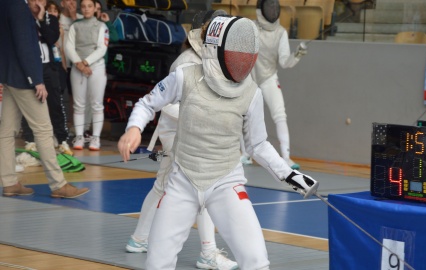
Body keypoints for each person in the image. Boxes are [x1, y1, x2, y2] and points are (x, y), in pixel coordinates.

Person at [118, 16, 319, 270]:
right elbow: (148, 103)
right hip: (182, 181)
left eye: (247, 53)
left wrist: (291, 176)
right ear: (216, 48)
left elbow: (258, 145)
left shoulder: (251, 93)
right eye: (237, 52)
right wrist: (134, 128)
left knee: (257, 260)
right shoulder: (185, 76)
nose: (244, 60)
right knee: (157, 262)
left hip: (226, 182)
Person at [125, 10, 238, 270]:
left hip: (187, 134)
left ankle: (139, 238)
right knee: (203, 188)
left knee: (162, 186)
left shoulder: (211, 63)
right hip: (177, 133)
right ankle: (208, 253)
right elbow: (166, 105)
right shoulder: (186, 62)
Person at [0, 0, 89, 198]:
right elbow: (25, 45)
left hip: (9, 75)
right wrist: (36, 80)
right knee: (43, 130)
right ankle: (58, 184)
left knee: (6, 131)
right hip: (24, 78)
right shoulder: (17, 7)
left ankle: (9, 182)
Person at [240, 0, 308, 170]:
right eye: (269, 8)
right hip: (250, 79)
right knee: (243, 116)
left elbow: (285, 62)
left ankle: (286, 157)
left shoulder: (280, 33)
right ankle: (245, 154)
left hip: (269, 77)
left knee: (280, 115)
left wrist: (297, 54)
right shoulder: (251, 28)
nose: (272, 11)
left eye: (274, 8)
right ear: (261, 11)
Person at [22, 0, 73, 156]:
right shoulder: (23, 16)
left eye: (43, 0)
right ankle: (30, 140)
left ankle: (62, 139)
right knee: (29, 103)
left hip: (48, 67)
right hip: (30, 66)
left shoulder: (51, 18)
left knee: (55, 103)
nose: (39, 3)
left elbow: (51, 37)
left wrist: (42, 18)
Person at [65, 0, 109, 151]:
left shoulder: (101, 26)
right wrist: (79, 64)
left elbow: (102, 48)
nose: (86, 9)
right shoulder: (75, 26)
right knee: (78, 105)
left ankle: (95, 138)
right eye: (83, 6)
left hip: (96, 68)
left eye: (89, 6)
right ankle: (79, 136)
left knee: (97, 105)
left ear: (94, 8)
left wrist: (86, 62)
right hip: (78, 69)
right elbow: (69, 47)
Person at [83, 0, 120, 140]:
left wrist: (108, 22)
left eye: (98, 9)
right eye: (94, 8)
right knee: (84, 100)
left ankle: (93, 132)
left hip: (99, 67)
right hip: (84, 66)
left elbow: (116, 38)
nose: (96, 11)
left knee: (96, 101)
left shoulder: (103, 26)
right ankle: (84, 130)